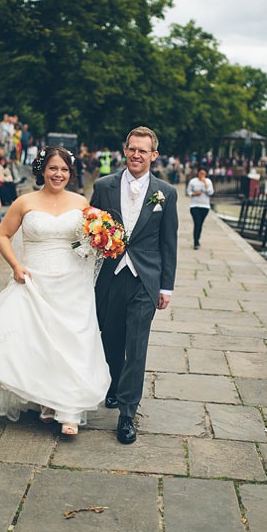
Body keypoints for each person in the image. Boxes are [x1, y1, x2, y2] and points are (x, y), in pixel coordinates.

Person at [0, 146, 111, 436]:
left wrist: (103, 240)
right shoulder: (25, 201)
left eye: (63, 169)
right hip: (34, 278)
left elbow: (91, 239)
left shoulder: (80, 202)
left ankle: (69, 410)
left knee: (71, 342)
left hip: (73, 282)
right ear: (42, 170)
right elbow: (1, 235)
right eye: (52, 168)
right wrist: (15, 266)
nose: (58, 174)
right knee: (40, 341)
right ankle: (46, 402)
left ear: (70, 173)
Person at [90, 126, 178, 444]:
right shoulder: (103, 186)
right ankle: (113, 385)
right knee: (111, 338)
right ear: (124, 150)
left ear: (154, 155)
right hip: (110, 276)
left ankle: (128, 414)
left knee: (136, 347)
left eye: (143, 150)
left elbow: (169, 242)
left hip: (145, 279)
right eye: (132, 149)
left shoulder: (165, 193)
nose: (136, 155)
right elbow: (92, 229)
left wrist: (165, 286)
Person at [186, 167, 213, 249]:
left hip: (205, 206)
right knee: (197, 223)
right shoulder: (193, 181)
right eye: (201, 173)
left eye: (204, 174)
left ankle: (197, 239)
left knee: (200, 224)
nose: (202, 175)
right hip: (195, 205)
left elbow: (211, 192)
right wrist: (195, 193)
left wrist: (205, 183)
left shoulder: (208, 181)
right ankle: (196, 242)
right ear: (198, 173)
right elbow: (188, 192)